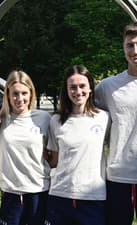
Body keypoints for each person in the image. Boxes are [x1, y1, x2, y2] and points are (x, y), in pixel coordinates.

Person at [45, 65, 110, 225]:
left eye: (82, 86)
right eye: (72, 87)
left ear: (90, 89)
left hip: (92, 197)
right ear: (66, 90)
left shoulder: (104, 118)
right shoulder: (56, 121)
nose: (78, 91)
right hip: (60, 195)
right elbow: (54, 160)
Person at [0, 70, 51, 225]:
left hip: (38, 191)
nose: (20, 98)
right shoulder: (0, 120)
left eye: (24, 93)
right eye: (15, 94)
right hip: (11, 194)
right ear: (8, 95)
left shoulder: (44, 118)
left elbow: (53, 154)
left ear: (31, 93)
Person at [95, 22, 137, 225]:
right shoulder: (107, 87)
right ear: (123, 47)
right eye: (130, 45)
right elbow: (78, 114)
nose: (135, 51)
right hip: (118, 176)